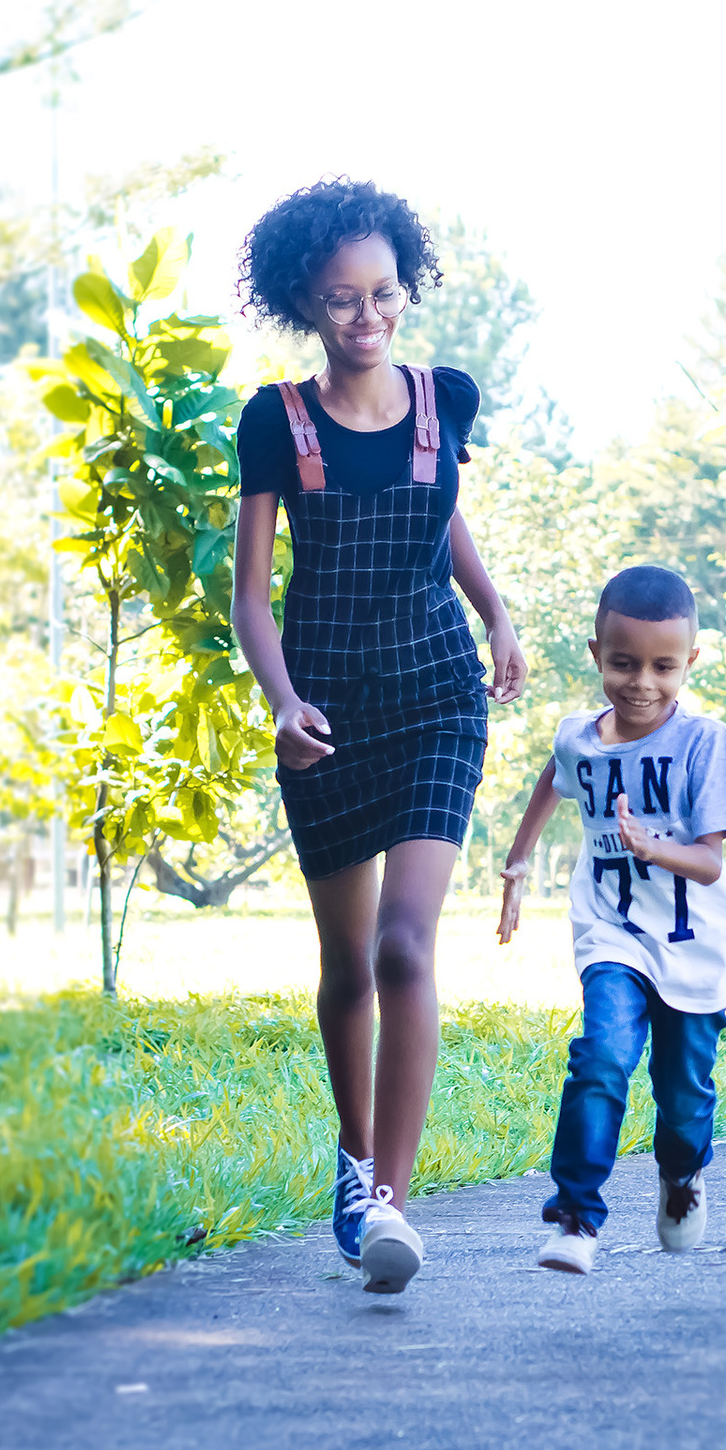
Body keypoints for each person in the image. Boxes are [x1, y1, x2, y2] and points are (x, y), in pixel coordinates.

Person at [232, 178, 527, 1295]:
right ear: (308, 300)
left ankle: (395, 1205)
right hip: (326, 715)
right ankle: (352, 1161)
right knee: (346, 964)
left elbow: (442, 507)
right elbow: (254, 596)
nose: (367, 317)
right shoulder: (276, 420)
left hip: (437, 694)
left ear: (407, 290)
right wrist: (281, 700)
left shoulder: (444, 397)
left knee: (407, 945)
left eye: (384, 294)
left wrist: (496, 614)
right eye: (343, 299)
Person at [498, 565, 726, 1273]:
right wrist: (519, 863)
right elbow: (556, 773)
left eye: (663, 666)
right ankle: (576, 1217)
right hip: (612, 933)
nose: (642, 681)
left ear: (690, 663)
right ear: (596, 655)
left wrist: (654, 846)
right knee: (603, 1056)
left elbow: (710, 864)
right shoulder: (579, 735)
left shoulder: (705, 743)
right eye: (623, 662)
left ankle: (681, 1176)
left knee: (683, 1099)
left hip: (692, 946)